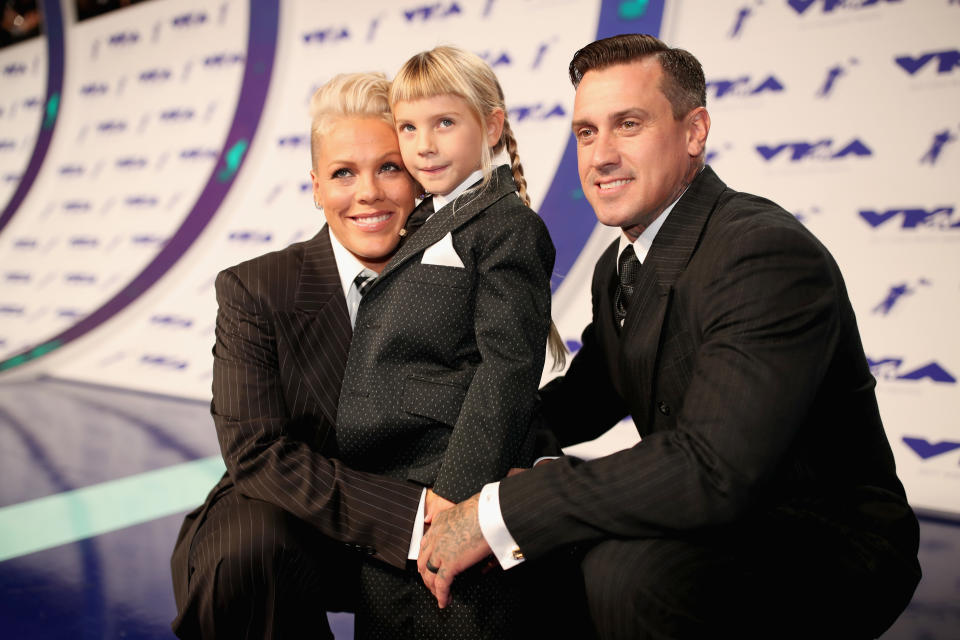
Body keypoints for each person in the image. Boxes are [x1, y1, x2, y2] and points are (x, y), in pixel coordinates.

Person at [418, 34, 922, 639]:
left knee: (621, 569)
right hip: (711, 514)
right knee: (546, 551)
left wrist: (501, 510)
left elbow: (712, 467)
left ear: (694, 132)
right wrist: (460, 455)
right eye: (586, 132)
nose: (600, 155)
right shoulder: (621, 263)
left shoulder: (762, 253)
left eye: (628, 124)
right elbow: (583, 400)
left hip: (823, 536)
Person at [169, 72, 424, 639]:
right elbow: (256, 451)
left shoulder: (460, 274)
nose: (369, 194)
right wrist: (411, 517)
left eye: (389, 167)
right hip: (294, 511)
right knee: (245, 550)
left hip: (428, 507)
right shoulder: (256, 289)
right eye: (343, 173)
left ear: (417, 177)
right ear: (315, 186)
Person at [333, 45, 565, 638]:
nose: (424, 145)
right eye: (408, 127)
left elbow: (506, 371)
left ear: (490, 125)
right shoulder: (423, 217)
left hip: (444, 484)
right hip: (395, 492)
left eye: (444, 123)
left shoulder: (506, 226)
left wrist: (458, 504)